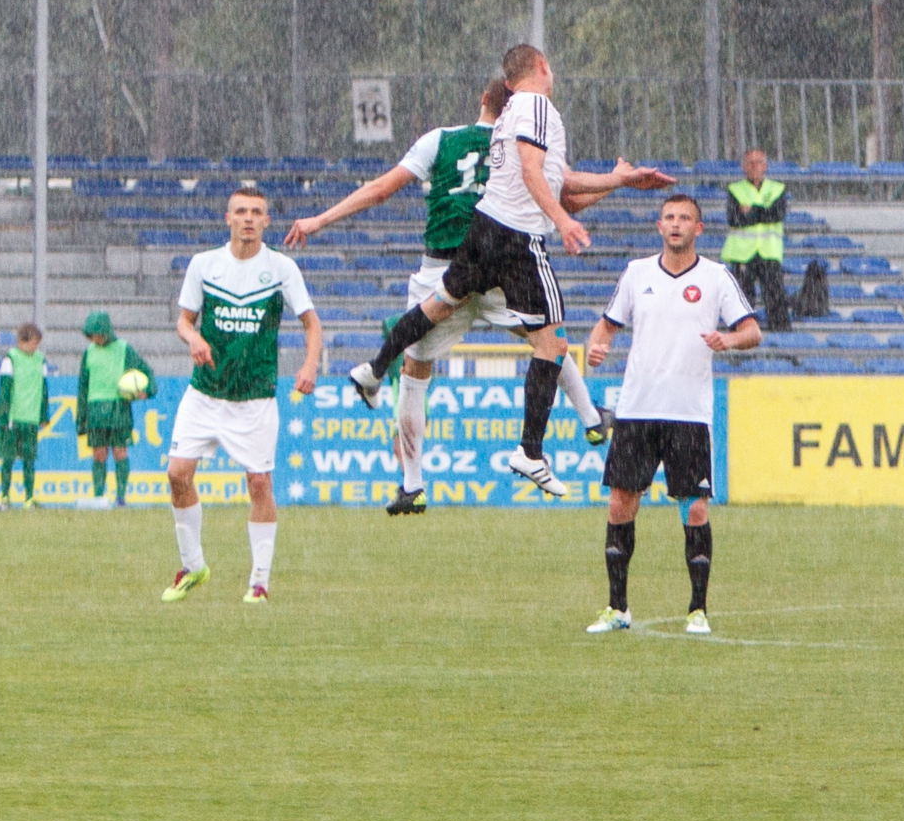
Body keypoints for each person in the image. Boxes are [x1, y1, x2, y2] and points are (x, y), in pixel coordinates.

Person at [284, 78, 662, 516]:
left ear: (484, 100)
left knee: (416, 369)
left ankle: (411, 484)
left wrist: (319, 219)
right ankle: (591, 418)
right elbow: (569, 201)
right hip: (500, 262)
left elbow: (381, 189)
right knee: (548, 339)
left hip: (444, 263)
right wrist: (617, 181)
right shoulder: (523, 145)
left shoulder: (440, 140)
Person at [583, 194, 760, 636]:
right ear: (658, 226)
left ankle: (697, 609)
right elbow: (606, 325)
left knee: (695, 508)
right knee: (622, 504)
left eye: (684, 218)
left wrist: (729, 340)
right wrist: (596, 345)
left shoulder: (716, 277)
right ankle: (617, 607)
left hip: (688, 413)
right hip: (638, 409)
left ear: (699, 229)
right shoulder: (637, 273)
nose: (676, 224)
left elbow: (752, 331)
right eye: (669, 218)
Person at [162, 188, 323, 605]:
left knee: (259, 483)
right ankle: (193, 565)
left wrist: (309, 365)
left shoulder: (282, 268)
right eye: (241, 211)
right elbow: (182, 321)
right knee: (177, 474)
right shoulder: (204, 265)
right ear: (227, 218)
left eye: (257, 212)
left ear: (267, 221)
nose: (248, 218)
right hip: (205, 393)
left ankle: (260, 580)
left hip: (254, 396)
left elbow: (311, 324)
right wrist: (194, 338)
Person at [76, 309, 157, 508]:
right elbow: (83, 386)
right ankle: (98, 497)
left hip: (118, 407)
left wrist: (148, 390)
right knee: (99, 453)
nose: (95, 339)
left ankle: (121, 497)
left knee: (120, 451)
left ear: (106, 331)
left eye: (97, 334)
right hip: (95, 408)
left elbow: (146, 371)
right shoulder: (88, 353)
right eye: (91, 335)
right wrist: (81, 417)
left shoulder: (124, 349)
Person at [722, 148, 792, 332]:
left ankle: (782, 336)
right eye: (750, 163)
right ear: (744, 167)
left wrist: (751, 211)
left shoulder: (777, 188)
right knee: (742, 298)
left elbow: (777, 215)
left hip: (769, 252)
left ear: (766, 166)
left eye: (758, 162)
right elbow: (735, 219)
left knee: (775, 295)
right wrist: (762, 211)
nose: (754, 166)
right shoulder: (735, 189)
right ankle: (740, 335)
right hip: (743, 253)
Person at [0, 322, 49, 508]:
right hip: (13, 418)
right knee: (8, 459)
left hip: (31, 418)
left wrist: (44, 414)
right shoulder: (10, 359)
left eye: (37, 344)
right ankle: (4, 497)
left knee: (29, 460)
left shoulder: (40, 360)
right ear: (21, 341)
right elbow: (4, 390)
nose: (35, 347)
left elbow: (44, 389)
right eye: (32, 343)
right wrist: (3, 417)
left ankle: (28, 498)